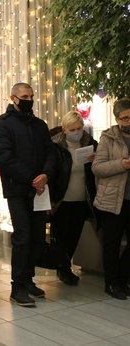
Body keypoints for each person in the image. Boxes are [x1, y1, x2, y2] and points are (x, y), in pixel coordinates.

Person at [0, 82, 58, 307]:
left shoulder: (40, 125)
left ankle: (28, 279)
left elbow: (51, 153)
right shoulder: (3, 125)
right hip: (18, 189)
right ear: (13, 98)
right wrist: (33, 178)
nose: (29, 99)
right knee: (22, 236)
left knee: (38, 237)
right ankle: (17, 286)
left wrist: (45, 175)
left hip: (40, 189)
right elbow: (4, 158)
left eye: (31, 95)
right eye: (24, 96)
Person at [49, 110, 98, 285]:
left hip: (81, 199)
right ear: (64, 129)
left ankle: (65, 266)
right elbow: (51, 174)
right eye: (72, 129)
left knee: (74, 236)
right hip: (61, 200)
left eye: (79, 128)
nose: (77, 132)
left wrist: (96, 162)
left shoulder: (90, 144)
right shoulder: (54, 147)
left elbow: (96, 171)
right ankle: (62, 268)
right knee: (61, 237)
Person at [91, 98, 130, 300]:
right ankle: (112, 283)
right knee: (112, 244)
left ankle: (123, 279)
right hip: (113, 199)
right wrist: (121, 164)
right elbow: (97, 168)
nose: (128, 121)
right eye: (124, 118)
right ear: (117, 119)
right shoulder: (108, 138)